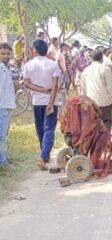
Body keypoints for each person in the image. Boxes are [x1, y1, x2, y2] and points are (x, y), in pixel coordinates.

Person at [23, 39, 60, 170]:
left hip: (37, 101)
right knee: (49, 129)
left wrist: (41, 90)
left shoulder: (28, 65)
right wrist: (50, 100)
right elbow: (55, 85)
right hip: (52, 101)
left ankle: (44, 156)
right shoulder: (53, 65)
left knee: (40, 130)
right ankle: (44, 156)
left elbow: (26, 83)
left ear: (35, 50)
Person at [80, 49, 112, 132]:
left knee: (93, 124)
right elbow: (110, 88)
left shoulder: (85, 70)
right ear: (102, 58)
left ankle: (95, 143)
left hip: (91, 103)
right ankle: (104, 141)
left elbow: (83, 89)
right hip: (105, 103)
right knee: (107, 121)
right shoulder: (106, 69)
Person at [0, 43, 16, 169]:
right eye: (3, 53)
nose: (5, 56)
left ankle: (5, 158)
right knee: (2, 136)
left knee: (4, 134)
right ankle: (3, 162)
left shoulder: (7, 67)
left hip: (8, 105)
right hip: (2, 106)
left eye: (7, 53)